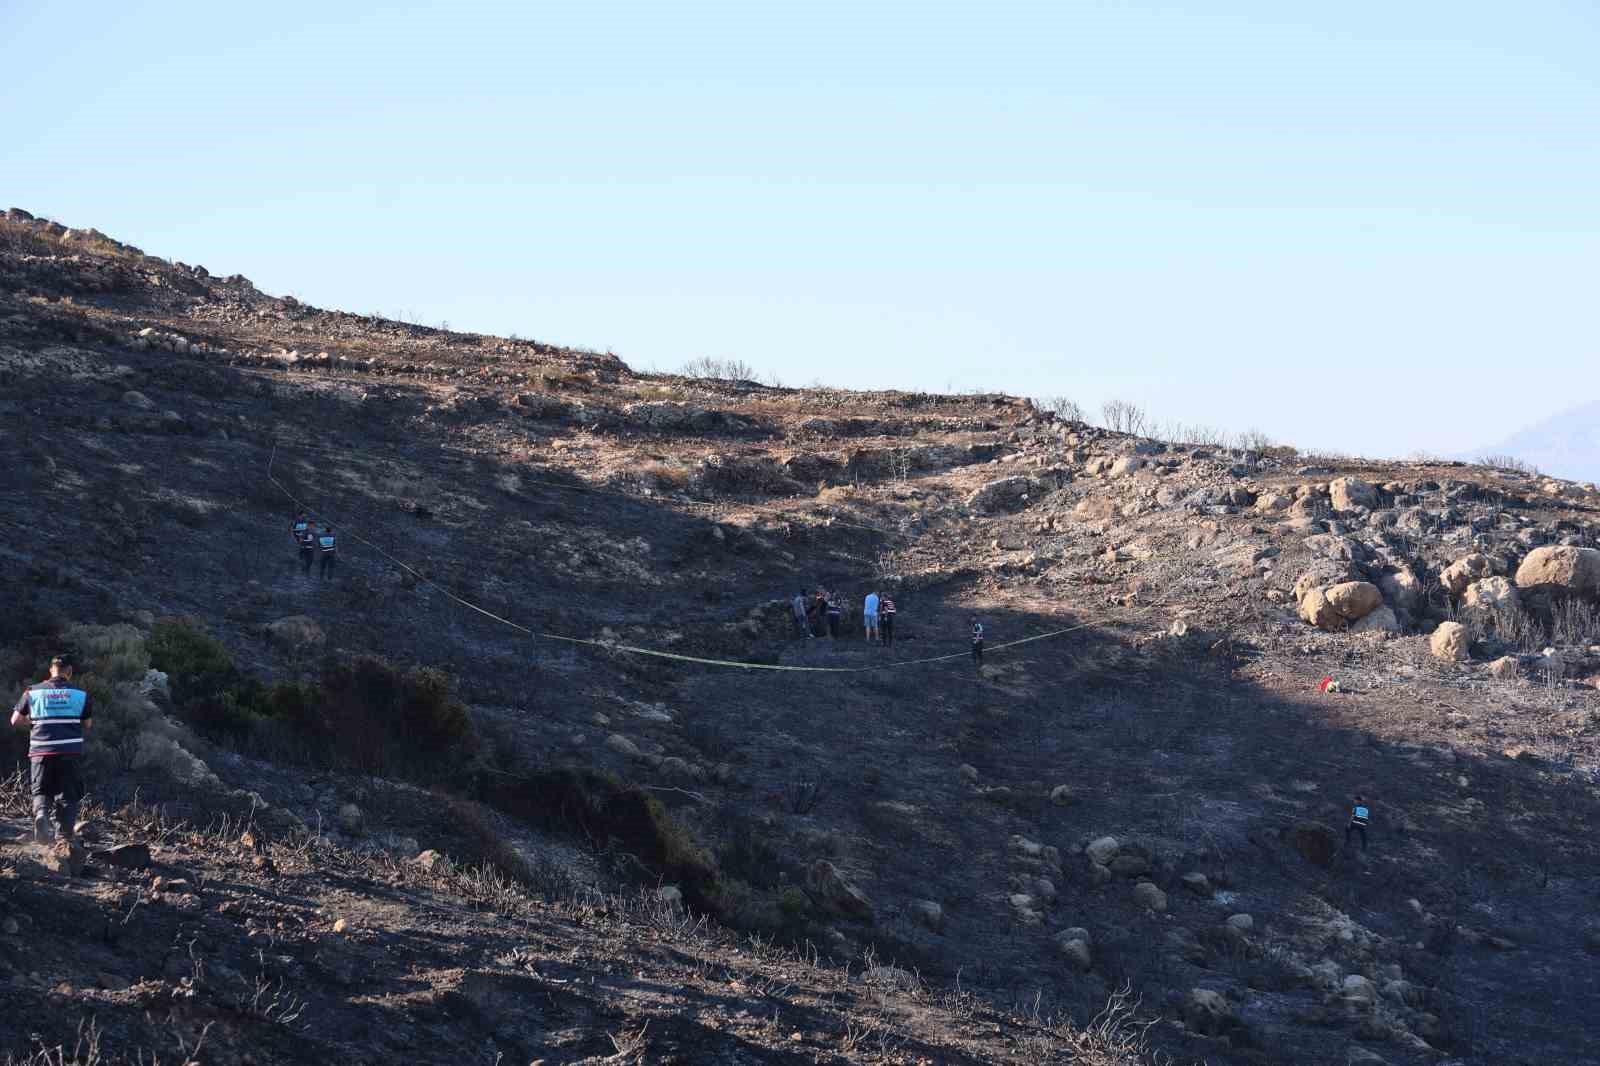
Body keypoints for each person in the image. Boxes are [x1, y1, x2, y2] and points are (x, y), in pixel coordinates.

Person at [10, 654, 92, 845]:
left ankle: (41, 814)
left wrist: (33, 721)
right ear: (69, 672)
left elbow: (14, 720)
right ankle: (64, 838)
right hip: (69, 752)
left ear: (50, 670)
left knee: (41, 790)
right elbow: (87, 724)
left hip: (40, 751)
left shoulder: (32, 692)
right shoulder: (80, 695)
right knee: (68, 795)